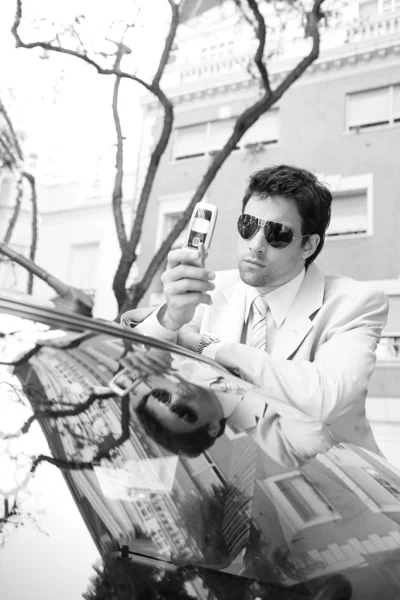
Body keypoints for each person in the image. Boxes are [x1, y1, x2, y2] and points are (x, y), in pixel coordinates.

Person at [121, 164, 389, 466]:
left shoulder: (354, 302)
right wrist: (171, 318)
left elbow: (326, 397)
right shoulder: (211, 287)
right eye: (248, 225)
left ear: (308, 245)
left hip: (352, 488)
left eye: (278, 233)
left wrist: (206, 348)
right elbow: (133, 362)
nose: (255, 245)